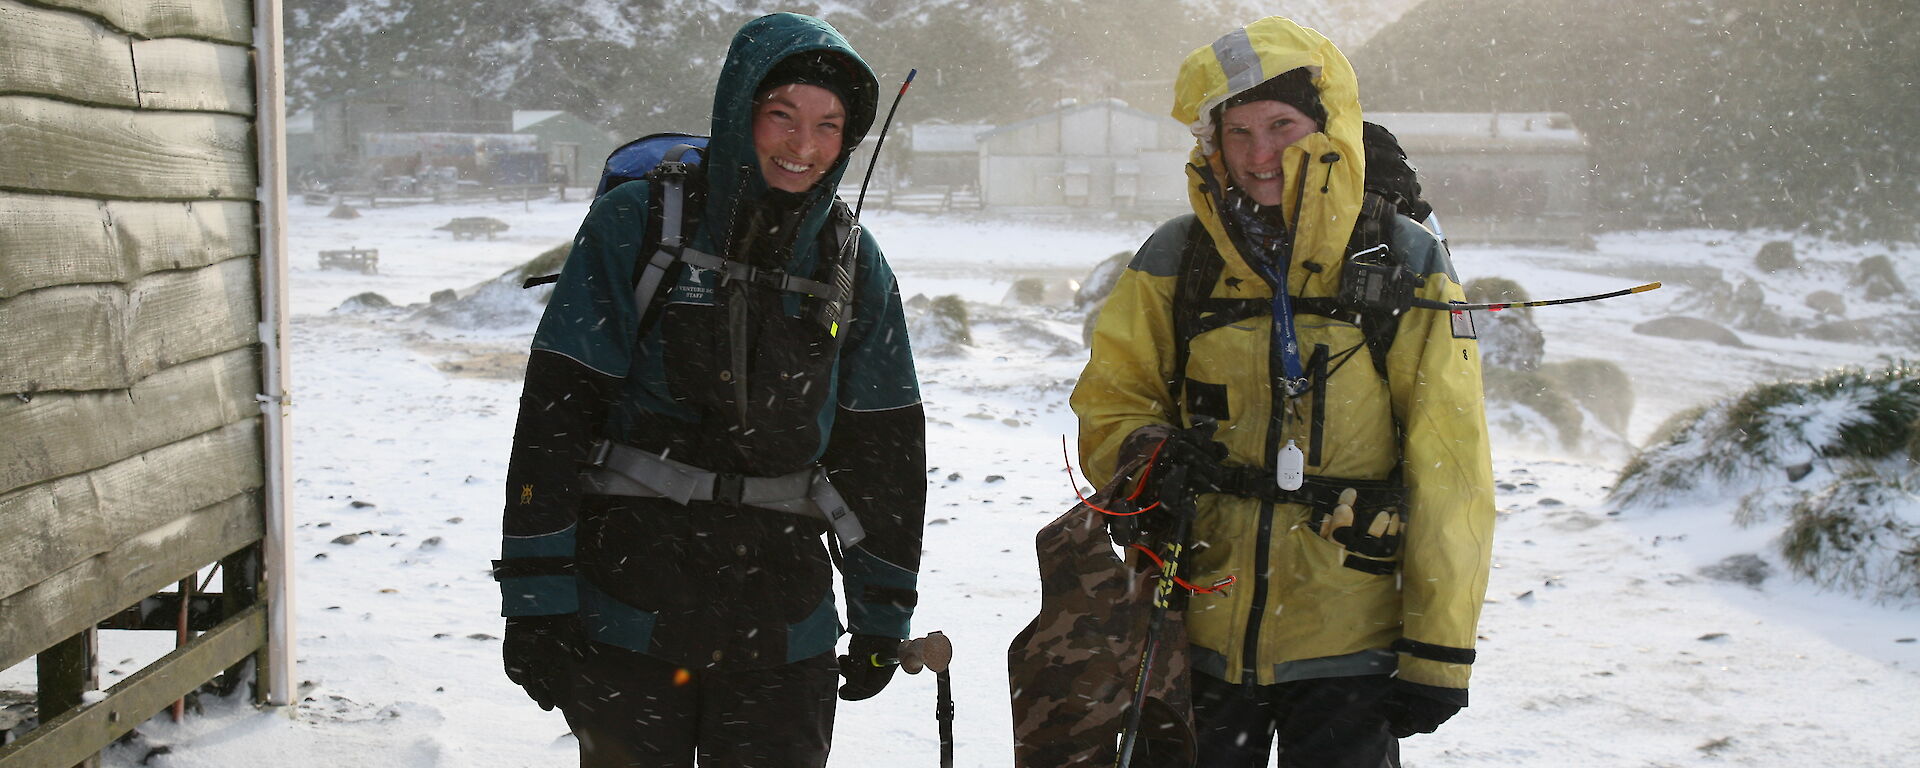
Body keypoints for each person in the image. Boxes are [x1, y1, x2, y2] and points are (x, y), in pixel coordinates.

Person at [492, 13, 926, 767]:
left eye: (828, 126)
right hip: (630, 607)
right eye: (781, 115)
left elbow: (885, 449)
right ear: (740, 112)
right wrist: (536, 600)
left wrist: (882, 614)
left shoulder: (851, 261)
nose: (803, 146)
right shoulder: (636, 225)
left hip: (784, 621)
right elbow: (556, 417)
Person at [1070, 16, 1496, 768]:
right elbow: (1112, 398)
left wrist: (1438, 650)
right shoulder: (1177, 258)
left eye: (1281, 125)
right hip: (1193, 633)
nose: (1260, 155)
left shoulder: (1403, 260)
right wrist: (1147, 455)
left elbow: (1451, 460)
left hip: (1350, 650)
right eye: (1238, 132)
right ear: (1212, 143)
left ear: (1327, 126)